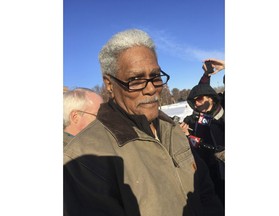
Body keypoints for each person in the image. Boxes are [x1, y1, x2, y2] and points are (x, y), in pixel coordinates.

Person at [64, 29, 224, 216]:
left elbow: (205, 192)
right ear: (109, 85)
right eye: (135, 80)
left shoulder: (172, 129)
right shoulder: (83, 158)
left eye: (155, 76)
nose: (151, 89)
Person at [180, 61, 225, 205]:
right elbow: (201, 90)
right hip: (208, 172)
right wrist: (183, 131)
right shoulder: (197, 118)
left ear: (211, 98)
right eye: (194, 101)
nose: (197, 104)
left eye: (199, 99)